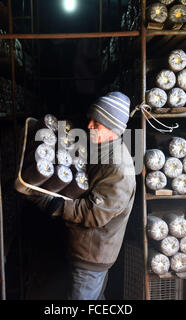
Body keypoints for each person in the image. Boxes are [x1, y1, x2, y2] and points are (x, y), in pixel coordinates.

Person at [29, 92, 136, 300]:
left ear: (113, 128)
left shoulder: (119, 168)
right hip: (88, 248)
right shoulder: (103, 148)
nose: (89, 126)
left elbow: (94, 214)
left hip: (92, 256)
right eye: (91, 120)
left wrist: (57, 205)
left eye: (97, 123)